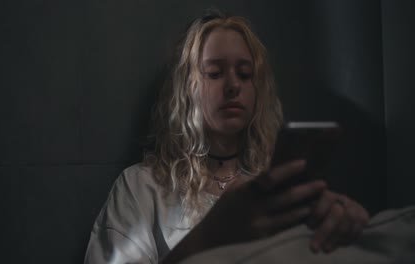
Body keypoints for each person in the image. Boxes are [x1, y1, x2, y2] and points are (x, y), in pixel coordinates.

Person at [84, 10, 369, 264]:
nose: (233, 85)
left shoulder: (279, 188)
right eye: (215, 73)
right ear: (187, 88)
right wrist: (208, 237)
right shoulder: (141, 189)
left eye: (245, 75)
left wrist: (351, 234)